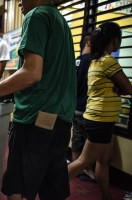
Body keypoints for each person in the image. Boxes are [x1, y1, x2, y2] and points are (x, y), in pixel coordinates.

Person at [0, 0, 76, 199]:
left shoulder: (36, 16)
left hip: (35, 119)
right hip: (61, 119)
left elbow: (32, 72)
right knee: (51, 189)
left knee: (17, 188)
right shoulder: (60, 21)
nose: (19, 4)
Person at [68, 22, 132, 200]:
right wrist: (121, 89)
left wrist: (119, 89)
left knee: (103, 161)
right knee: (82, 162)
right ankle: (50, 189)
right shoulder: (108, 61)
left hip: (100, 119)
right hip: (100, 121)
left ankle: (106, 197)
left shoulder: (96, 61)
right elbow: (128, 88)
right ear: (114, 40)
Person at [71, 33, 96, 182]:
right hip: (87, 109)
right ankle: (89, 171)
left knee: (76, 140)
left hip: (74, 108)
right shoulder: (92, 63)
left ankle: (75, 170)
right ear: (89, 43)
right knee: (89, 144)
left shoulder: (75, 62)